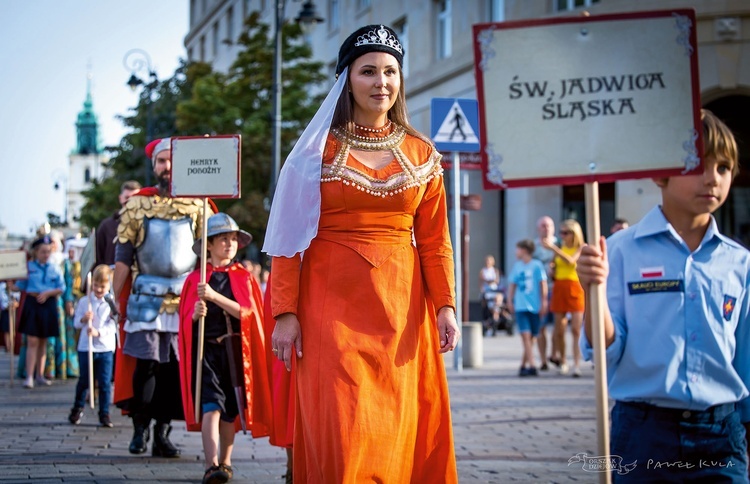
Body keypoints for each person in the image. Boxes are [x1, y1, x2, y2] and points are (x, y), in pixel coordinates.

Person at [264, 24, 460, 482]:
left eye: (390, 71)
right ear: (346, 79)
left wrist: (446, 305)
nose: (381, 82)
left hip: (401, 313)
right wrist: (285, 313)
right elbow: (288, 240)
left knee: (396, 424)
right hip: (329, 312)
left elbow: (435, 241)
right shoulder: (314, 152)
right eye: (368, 71)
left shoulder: (422, 152)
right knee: (343, 423)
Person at [576, 109, 750, 481]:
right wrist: (594, 291)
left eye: (724, 168)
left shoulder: (740, 262)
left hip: (722, 434)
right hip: (642, 431)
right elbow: (606, 350)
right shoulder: (620, 252)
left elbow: (746, 359)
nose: (713, 179)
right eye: (699, 165)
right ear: (660, 173)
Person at [113, 137, 213, 458]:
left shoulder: (199, 204)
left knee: (174, 371)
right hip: (146, 300)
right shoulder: (137, 205)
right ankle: (140, 428)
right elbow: (123, 257)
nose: (167, 168)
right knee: (147, 366)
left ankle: (163, 433)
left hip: (184, 300)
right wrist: (115, 297)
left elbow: (208, 255)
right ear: (154, 166)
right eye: (161, 162)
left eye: (172, 161)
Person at [178, 213, 272, 484]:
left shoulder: (243, 277)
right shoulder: (195, 279)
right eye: (223, 239)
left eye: (232, 239)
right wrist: (195, 314)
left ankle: (227, 462)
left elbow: (250, 314)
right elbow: (185, 325)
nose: (229, 244)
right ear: (209, 244)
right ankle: (211, 464)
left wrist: (214, 297)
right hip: (205, 353)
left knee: (229, 411)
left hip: (233, 352)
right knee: (211, 407)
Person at [12, 235, 65, 388]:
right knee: (32, 341)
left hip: (47, 304)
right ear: (36, 252)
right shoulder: (29, 267)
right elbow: (20, 285)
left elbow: (61, 287)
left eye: (48, 252)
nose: (46, 255)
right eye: (43, 252)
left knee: (43, 340)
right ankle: (29, 376)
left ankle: (39, 374)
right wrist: (10, 283)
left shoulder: (54, 267)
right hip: (33, 303)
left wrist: (48, 293)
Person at [68, 264, 117, 428]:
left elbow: (114, 325)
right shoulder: (84, 301)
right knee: (84, 380)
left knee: (104, 383)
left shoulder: (111, 302)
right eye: (95, 285)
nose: (98, 289)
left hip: (105, 348)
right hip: (86, 347)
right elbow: (75, 323)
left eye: (102, 286)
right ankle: (77, 408)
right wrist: (83, 319)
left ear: (108, 285)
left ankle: (104, 413)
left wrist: (99, 332)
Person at [543, 219, 585, 377]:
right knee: (559, 329)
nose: (562, 236)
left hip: (575, 287)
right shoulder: (560, 248)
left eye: (565, 233)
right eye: (561, 233)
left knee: (575, 329)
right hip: (560, 287)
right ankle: (563, 360)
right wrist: (552, 271)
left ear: (574, 234)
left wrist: (553, 248)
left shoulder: (580, 247)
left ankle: (576, 363)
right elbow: (556, 266)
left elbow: (571, 261)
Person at [506, 239, 548, 377]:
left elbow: (543, 284)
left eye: (517, 249)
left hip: (535, 306)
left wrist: (544, 302)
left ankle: (523, 365)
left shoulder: (537, 265)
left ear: (524, 250)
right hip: (521, 305)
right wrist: (510, 301)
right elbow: (512, 284)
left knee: (532, 337)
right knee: (525, 335)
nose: (515, 252)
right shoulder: (517, 266)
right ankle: (532, 365)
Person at [95, 180, 141, 268]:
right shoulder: (106, 226)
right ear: (120, 198)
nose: (130, 202)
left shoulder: (148, 225)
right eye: (127, 197)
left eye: (134, 198)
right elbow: (98, 256)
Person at [533, 215, 558, 370]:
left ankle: (556, 355)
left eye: (549, 225)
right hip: (538, 292)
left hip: (557, 288)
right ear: (538, 228)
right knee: (541, 327)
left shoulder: (560, 244)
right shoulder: (533, 246)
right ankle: (543, 360)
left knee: (558, 326)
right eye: (543, 225)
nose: (546, 228)